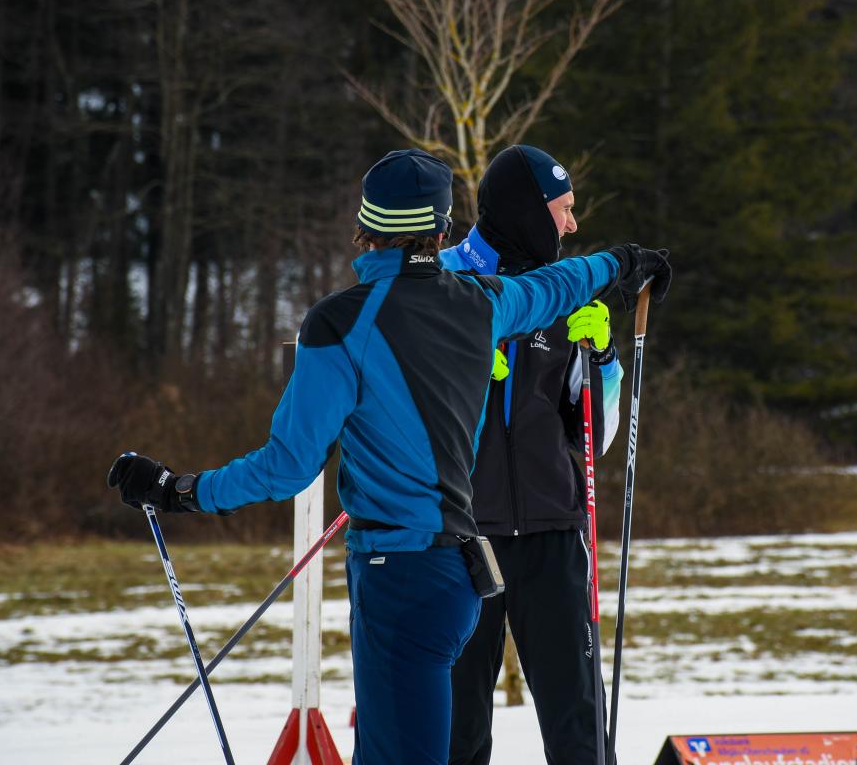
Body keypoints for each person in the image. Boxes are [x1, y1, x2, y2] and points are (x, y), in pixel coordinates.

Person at [106, 148, 671, 765]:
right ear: (443, 227)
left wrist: (179, 491)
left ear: (366, 228)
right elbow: (553, 284)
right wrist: (623, 262)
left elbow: (287, 468)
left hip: (398, 576)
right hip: (462, 574)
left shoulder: (339, 323)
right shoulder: (481, 303)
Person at [440, 145, 622, 765]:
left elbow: (594, 440)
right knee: (456, 726)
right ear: (528, 210)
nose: (572, 225)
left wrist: (602, 362)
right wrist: (464, 374)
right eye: (563, 210)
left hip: (552, 528)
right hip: (461, 534)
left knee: (579, 724)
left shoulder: (566, 293)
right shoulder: (440, 283)